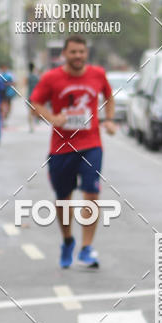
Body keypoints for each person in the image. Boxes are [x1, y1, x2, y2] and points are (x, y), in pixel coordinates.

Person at [30, 35, 116, 269]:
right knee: (63, 199)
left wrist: (108, 120)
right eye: (73, 52)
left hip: (91, 144)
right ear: (65, 54)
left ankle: (86, 248)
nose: (78, 56)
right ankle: (68, 240)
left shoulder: (98, 74)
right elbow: (35, 102)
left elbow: (109, 96)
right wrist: (53, 118)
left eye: (81, 52)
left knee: (91, 194)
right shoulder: (51, 78)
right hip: (61, 148)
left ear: (86, 54)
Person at [27, 62, 40, 132]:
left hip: (29, 95)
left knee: (29, 111)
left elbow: (25, 84)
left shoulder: (28, 76)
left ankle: (31, 126)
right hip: (36, 96)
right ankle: (35, 122)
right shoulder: (36, 77)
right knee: (35, 110)